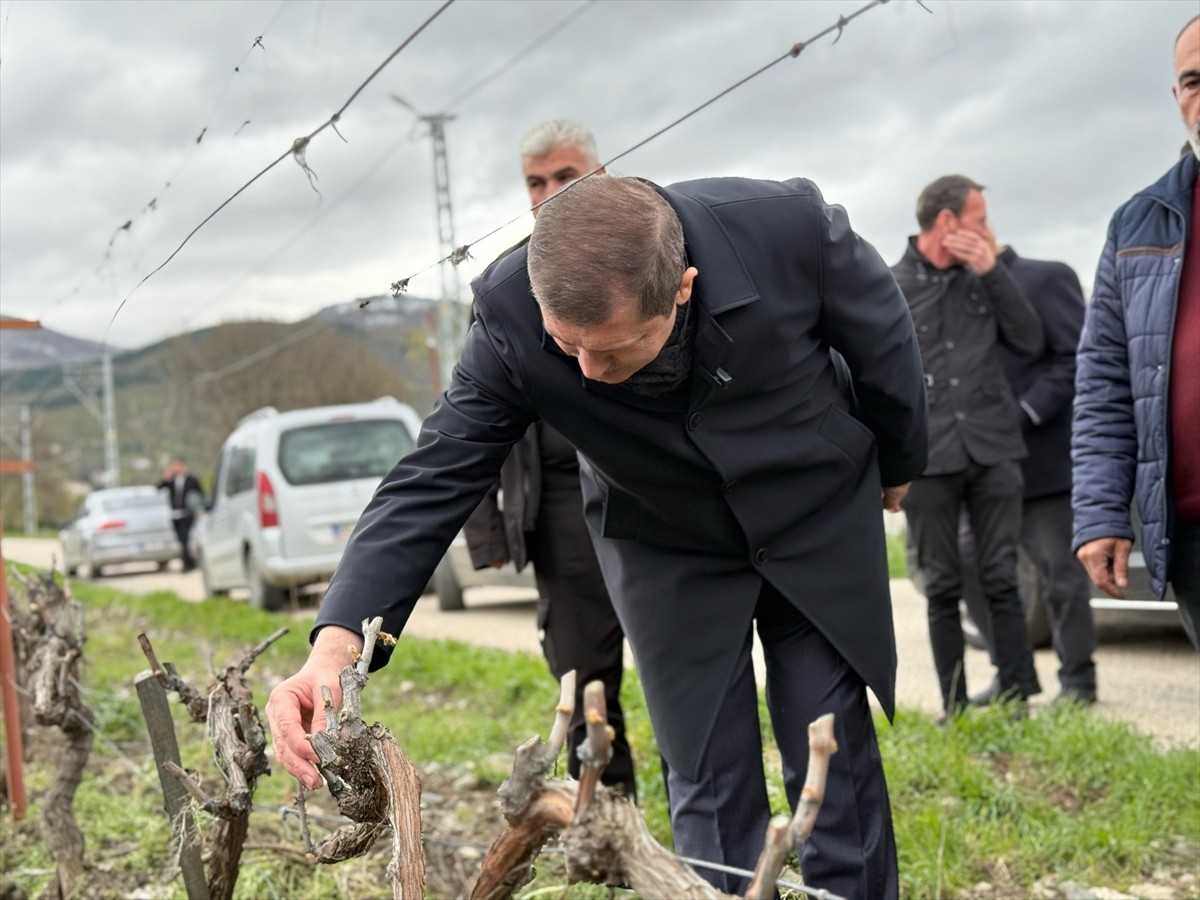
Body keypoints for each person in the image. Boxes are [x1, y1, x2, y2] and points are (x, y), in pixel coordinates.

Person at [267, 173, 927, 898]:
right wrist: (335, 648)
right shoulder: (511, 317)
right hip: (664, 537)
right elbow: (433, 477)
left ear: (684, 287)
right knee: (704, 763)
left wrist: (897, 465)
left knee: (830, 748)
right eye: (567, 347)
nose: (588, 373)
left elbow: (884, 343)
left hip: (812, 510)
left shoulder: (791, 230)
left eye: (615, 349)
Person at [461, 119, 640, 800]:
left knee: (688, 666)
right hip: (561, 507)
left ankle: (708, 823)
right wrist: (488, 530)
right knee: (584, 673)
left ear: (599, 174)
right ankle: (604, 822)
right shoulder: (509, 288)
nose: (549, 192)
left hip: (652, 488)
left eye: (565, 175)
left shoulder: (647, 246)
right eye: (536, 182)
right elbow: (474, 420)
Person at [891, 175, 1044, 718]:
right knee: (941, 588)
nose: (986, 230)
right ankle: (952, 706)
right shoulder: (889, 286)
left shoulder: (987, 277)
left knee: (1002, 577)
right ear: (948, 221)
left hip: (994, 451)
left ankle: (1017, 693)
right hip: (930, 459)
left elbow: (1030, 341)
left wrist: (991, 270)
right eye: (978, 219)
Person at [1072, 14, 1200, 650]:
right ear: (1177, 98)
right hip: (1194, 535)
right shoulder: (1140, 222)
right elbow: (1105, 384)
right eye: (1194, 81)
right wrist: (1099, 513)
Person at [963, 233, 1098, 706]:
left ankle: (1078, 680)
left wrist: (1022, 414)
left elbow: (1076, 359)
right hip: (978, 469)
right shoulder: (952, 291)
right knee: (974, 570)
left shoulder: (1046, 277)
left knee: (1060, 576)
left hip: (1041, 461)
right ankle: (1013, 675)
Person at [158, 457, 201, 572]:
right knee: (181, 540)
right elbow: (159, 488)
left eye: (178, 466)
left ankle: (188, 564)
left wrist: (198, 510)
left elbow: (199, 494)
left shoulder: (192, 480)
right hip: (175, 515)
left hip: (187, 514)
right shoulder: (171, 481)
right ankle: (188, 562)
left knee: (186, 538)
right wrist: (166, 477)